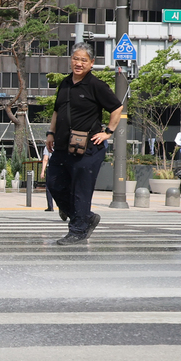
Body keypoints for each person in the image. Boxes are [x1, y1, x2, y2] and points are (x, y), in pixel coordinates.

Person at [47, 44, 123, 245]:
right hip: (63, 146)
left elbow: (117, 107)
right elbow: (56, 111)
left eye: (83, 60)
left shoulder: (96, 85)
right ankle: (85, 217)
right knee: (53, 182)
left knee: (81, 190)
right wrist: (50, 133)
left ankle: (78, 230)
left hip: (88, 148)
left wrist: (108, 132)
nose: (78, 63)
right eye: (75, 59)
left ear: (91, 63)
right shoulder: (64, 83)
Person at [41, 131, 56, 212]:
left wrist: (42, 171)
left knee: (49, 188)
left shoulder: (47, 147)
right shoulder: (60, 145)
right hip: (61, 168)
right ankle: (63, 207)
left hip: (51, 168)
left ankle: (50, 206)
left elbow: (45, 159)